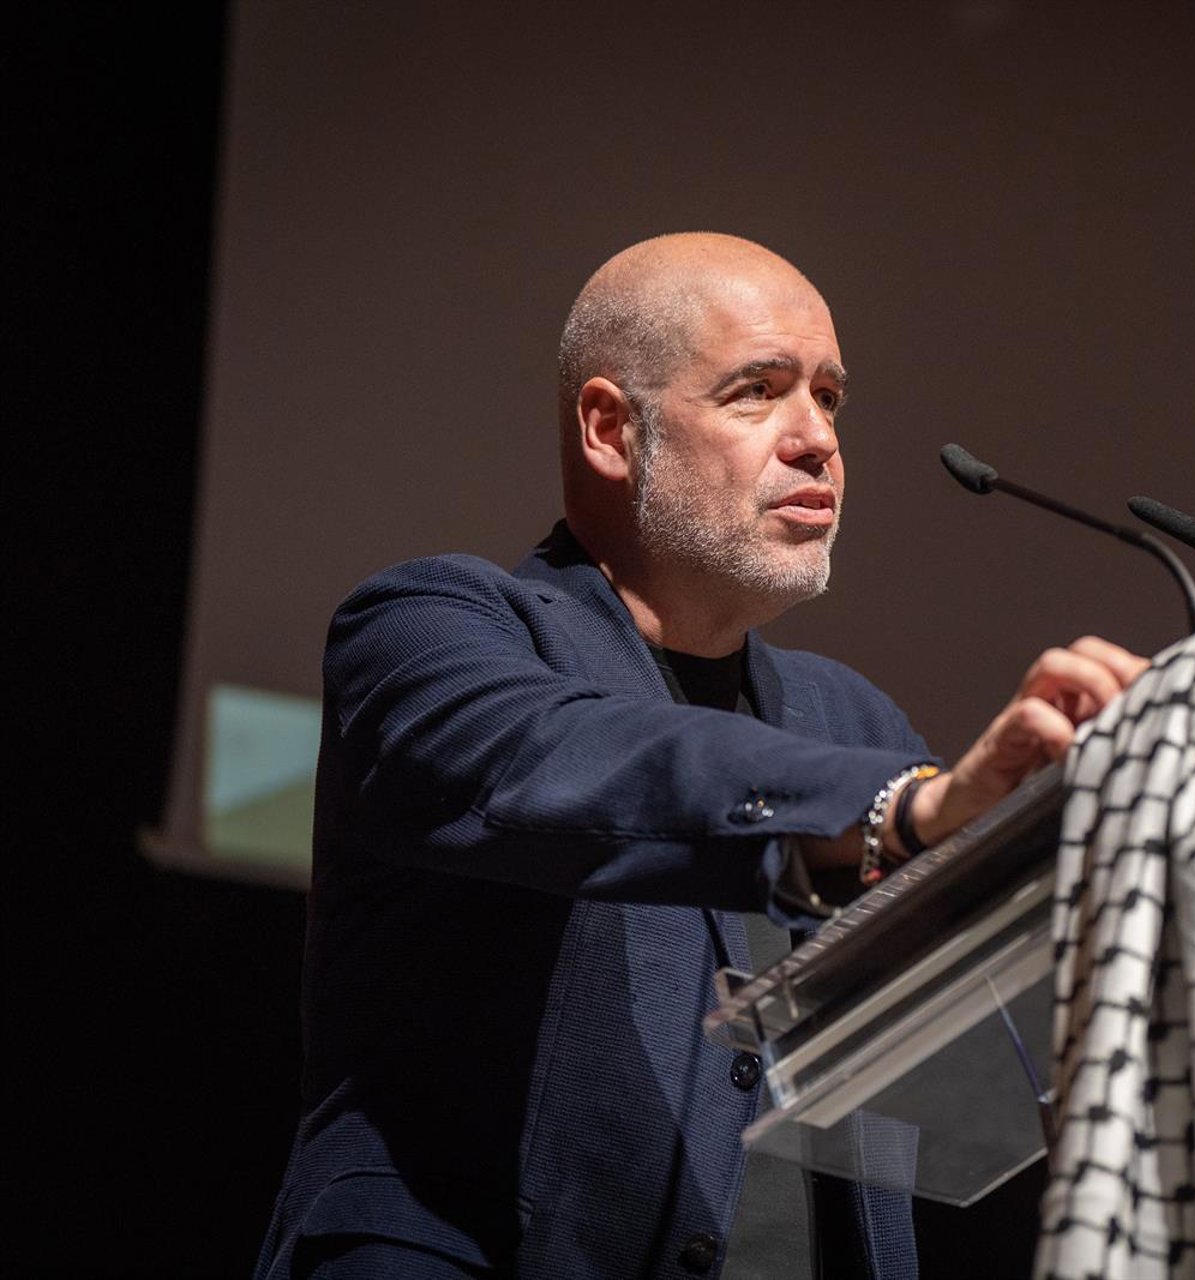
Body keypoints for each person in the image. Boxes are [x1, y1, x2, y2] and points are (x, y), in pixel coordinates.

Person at [253, 233, 1146, 1279]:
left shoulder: (853, 719)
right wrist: (903, 811)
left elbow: (982, 1053)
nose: (818, 439)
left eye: (829, 397)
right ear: (610, 428)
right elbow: (569, 761)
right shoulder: (432, 629)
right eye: (757, 391)